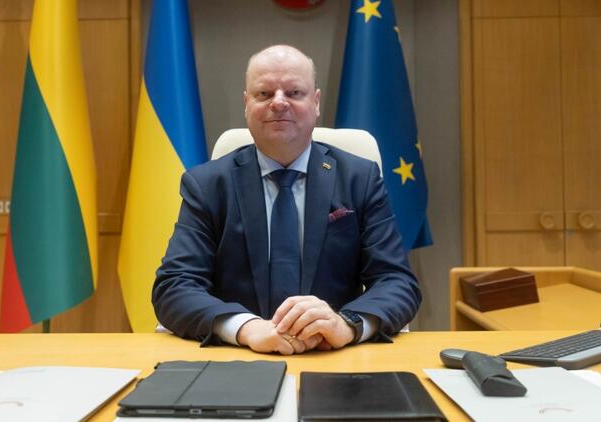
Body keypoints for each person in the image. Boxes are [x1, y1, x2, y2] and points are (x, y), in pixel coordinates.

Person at [153, 45, 421, 355]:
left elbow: (396, 281)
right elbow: (174, 285)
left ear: (316, 102)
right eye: (264, 94)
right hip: (239, 358)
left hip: (333, 357)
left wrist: (346, 325)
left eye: (294, 92)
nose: (279, 103)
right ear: (246, 104)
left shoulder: (360, 179)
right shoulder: (207, 185)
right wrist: (245, 328)